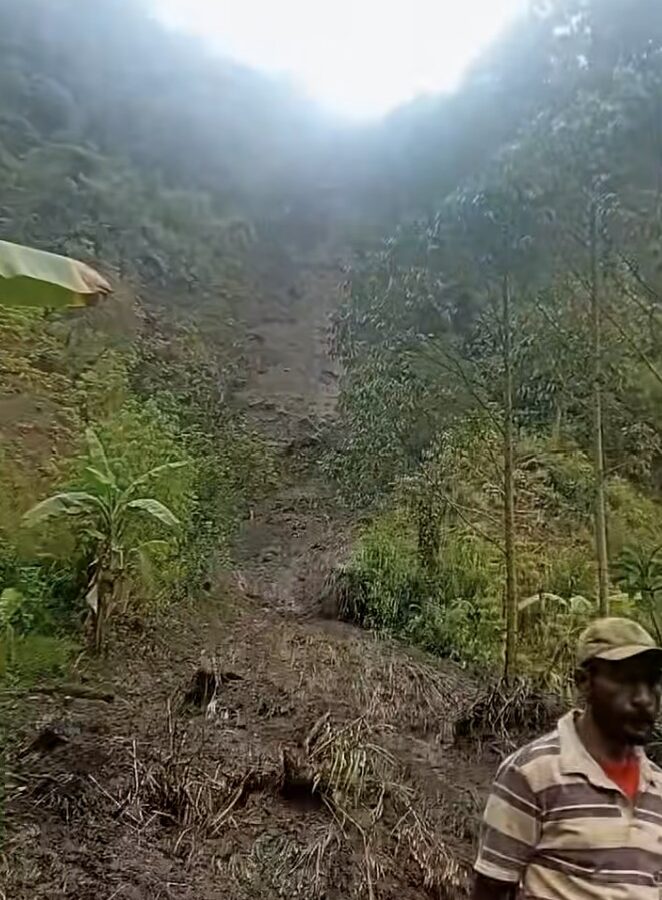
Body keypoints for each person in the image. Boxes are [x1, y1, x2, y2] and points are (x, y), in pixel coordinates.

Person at [472, 617, 662, 899]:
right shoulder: (531, 773)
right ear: (584, 682)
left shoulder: (658, 786)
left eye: (653, 681)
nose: (644, 698)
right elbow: (492, 888)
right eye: (626, 680)